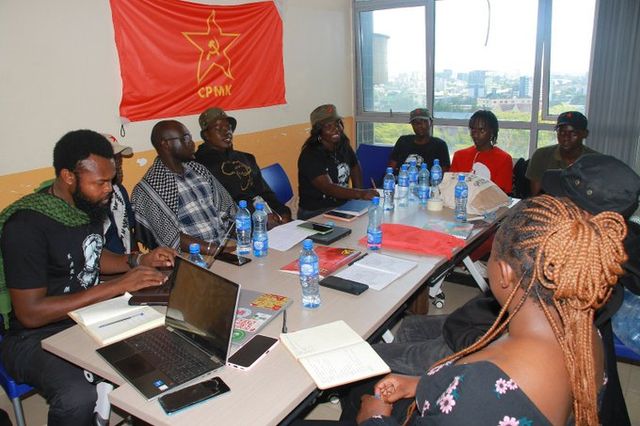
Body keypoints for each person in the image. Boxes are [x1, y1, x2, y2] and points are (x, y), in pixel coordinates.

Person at [368, 153, 640, 425]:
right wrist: (425, 384)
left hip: (470, 351)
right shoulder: (585, 323)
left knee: (366, 364)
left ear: (506, 272)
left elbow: (478, 391)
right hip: (475, 349)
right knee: (410, 328)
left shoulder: (480, 388)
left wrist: (375, 417)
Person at [0, 129, 175, 426]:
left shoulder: (82, 207)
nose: (110, 189)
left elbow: (91, 252)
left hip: (84, 317)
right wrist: (118, 286)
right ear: (68, 177)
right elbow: (30, 313)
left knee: (161, 344)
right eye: (101, 182)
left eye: (111, 180)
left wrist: (136, 260)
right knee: (77, 396)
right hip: (33, 336)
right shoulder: (26, 226)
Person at [131, 120, 237, 254]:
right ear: (166, 144)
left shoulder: (199, 170)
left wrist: (239, 240)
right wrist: (215, 250)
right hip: (192, 257)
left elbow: (228, 209)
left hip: (224, 244)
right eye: (186, 138)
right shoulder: (149, 189)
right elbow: (171, 237)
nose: (192, 143)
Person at [194, 107, 292, 229]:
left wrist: (283, 212)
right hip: (236, 226)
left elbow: (264, 192)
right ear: (206, 135)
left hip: (264, 215)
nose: (227, 132)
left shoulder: (246, 158)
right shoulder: (199, 166)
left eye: (228, 127)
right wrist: (258, 218)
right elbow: (217, 207)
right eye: (218, 129)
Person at [297, 104, 378, 220]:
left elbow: (354, 166)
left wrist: (360, 197)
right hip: (316, 212)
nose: (336, 129)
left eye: (337, 123)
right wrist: (360, 193)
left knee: (372, 217)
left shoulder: (342, 145)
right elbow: (327, 187)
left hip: (342, 206)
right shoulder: (310, 155)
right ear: (318, 131)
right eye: (328, 126)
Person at [526, 111, 597, 195]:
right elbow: (536, 196)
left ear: (585, 134)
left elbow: (597, 197)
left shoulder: (596, 161)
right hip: (549, 202)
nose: (566, 137)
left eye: (573, 133)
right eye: (562, 132)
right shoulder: (542, 155)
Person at [450, 110, 512, 194]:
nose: (475, 134)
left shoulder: (504, 159)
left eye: (481, 130)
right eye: (473, 129)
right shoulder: (459, 155)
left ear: (492, 132)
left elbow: (500, 195)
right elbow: (450, 187)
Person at [101, 133, 136, 254]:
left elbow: (129, 229)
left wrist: (138, 258)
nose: (118, 163)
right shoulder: (91, 199)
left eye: (119, 157)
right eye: (112, 158)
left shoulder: (119, 190)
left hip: (126, 256)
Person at [388, 108, 450, 173]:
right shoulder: (403, 141)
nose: (420, 125)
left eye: (424, 121)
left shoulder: (440, 145)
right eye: (415, 122)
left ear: (431, 123)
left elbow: (444, 175)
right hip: (402, 178)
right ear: (412, 125)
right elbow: (390, 169)